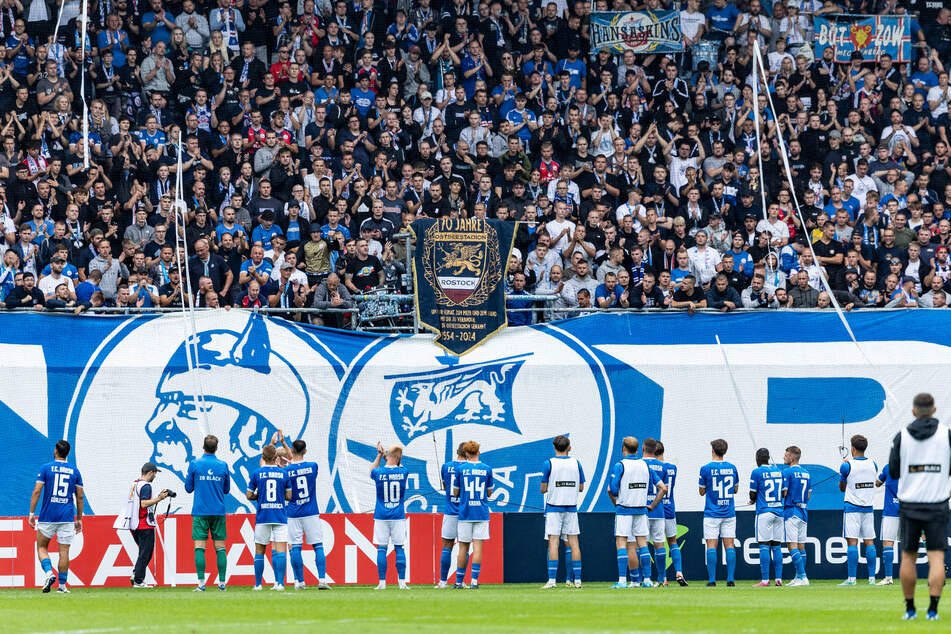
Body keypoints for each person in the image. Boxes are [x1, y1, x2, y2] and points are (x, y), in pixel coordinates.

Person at [888, 393, 951, 621]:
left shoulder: (901, 436)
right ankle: (933, 609)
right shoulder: (947, 435)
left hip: (910, 505)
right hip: (937, 504)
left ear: (914, 411)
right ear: (934, 410)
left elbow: (893, 472)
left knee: (908, 558)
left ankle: (910, 609)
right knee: (936, 558)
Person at [607, 436, 666, 588]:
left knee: (622, 542)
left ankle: (621, 581)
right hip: (641, 510)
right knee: (643, 544)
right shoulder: (645, 466)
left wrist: (616, 500)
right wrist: (652, 505)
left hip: (624, 509)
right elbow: (663, 488)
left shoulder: (620, 465)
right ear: (638, 449)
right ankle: (647, 580)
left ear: (623, 449)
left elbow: (612, 490)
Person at [29, 440, 83, 594]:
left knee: (41, 546)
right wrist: (79, 518)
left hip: (48, 516)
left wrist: (32, 513)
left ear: (55, 451)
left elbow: (37, 491)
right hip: (66, 516)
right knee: (64, 551)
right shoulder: (75, 471)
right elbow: (79, 497)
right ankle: (62, 586)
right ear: (68, 453)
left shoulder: (46, 468)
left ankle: (48, 573)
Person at [184, 435, 230, 592]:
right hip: (218, 511)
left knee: (199, 548)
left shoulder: (195, 464)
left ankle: (201, 584)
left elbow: (188, 488)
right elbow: (226, 490)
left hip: (200, 511)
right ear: (216, 448)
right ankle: (222, 583)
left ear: (203, 447)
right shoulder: (223, 465)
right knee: (220, 548)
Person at [285, 440, 330, 590]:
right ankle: (322, 580)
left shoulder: (286, 471)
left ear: (292, 450)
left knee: (295, 547)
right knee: (318, 545)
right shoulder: (313, 466)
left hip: (293, 513)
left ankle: (301, 582)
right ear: (305, 451)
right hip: (310, 511)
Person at [116, 462, 170, 589]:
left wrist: (157, 497)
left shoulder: (135, 484)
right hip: (144, 524)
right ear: (150, 472)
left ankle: (136, 574)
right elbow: (144, 504)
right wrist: (160, 498)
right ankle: (138, 580)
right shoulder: (146, 486)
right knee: (147, 553)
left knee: (143, 552)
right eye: (155, 474)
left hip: (134, 523)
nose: (155, 476)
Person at [540, 435, 584, 589]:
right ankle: (577, 580)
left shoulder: (549, 463)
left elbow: (543, 489)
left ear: (554, 447)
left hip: (554, 507)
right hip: (571, 508)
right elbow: (581, 487)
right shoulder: (576, 463)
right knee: (574, 543)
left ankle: (552, 581)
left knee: (553, 543)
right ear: (569, 447)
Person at [247, 444, 291, 591]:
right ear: (276, 458)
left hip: (263, 516)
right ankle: (280, 584)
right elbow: (289, 496)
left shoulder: (256, 473)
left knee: (259, 550)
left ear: (263, 457)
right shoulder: (284, 474)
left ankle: (258, 584)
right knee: (280, 551)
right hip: (279, 515)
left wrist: (259, 496)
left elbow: (249, 495)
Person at [452, 440, 494, 590]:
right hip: (481, 513)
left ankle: (458, 582)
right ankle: (474, 582)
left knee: (463, 548)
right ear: (478, 452)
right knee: (478, 548)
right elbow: (489, 492)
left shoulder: (461, 469)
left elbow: (455, 492)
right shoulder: (487, 469)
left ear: (466, 454)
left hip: (465, 512)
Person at [838, 434, 878, 586]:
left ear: (853, 449)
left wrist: (843, 470)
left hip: (852, 508)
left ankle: (852, 579)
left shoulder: (847, 465)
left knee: (852, 543)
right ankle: (872, 579)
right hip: (868, 508)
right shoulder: (873, 464)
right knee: (869, 542)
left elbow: (842, 488)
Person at [698, 438, 739, 586]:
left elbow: (701, 492)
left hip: (712, 513)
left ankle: (712, 580)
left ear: (713, 450)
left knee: (711, 545)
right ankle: (730, 579)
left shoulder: (705, 468)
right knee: (729, 545)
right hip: (728, 512)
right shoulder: (732, 468)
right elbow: (735, 489)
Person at [369, 442, 409, 590]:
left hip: (381, 516)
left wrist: (379, 455)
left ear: (387, 456)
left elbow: (372, 470)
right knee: (399, 548)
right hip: (398, 516)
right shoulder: (404, 472)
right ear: (399, 457)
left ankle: (382, 583)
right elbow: (397, 465)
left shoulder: (378, 473)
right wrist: (391, 457)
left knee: (381, 549)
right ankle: (402, 583)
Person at [749, 448, 784, 587]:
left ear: (757, 459)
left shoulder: (756, 472)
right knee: (776, 546)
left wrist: (753, 500)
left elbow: (752, 494)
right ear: (768, 458)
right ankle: (779, 579)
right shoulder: (778, 471)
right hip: (779, 512)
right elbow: (783, 492)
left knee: (764, 546)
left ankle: (765, 580)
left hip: (764, 512)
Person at [655, 442, 687, 586]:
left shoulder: (652, 467)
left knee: (658, 543)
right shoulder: (673, 467)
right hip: (670, 508)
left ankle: (663, 578)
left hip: (656, 508)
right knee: (673, 542)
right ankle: (679, 572)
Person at [437, 443, 468, 589]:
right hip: (465, 513)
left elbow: (444, 485)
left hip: (450, 512)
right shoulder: (470, 469)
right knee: (464, 548)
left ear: (456, 451)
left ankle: (443, 581)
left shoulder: (446, 466)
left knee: (446, 547)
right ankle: (460, 581)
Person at [781, 446, 811, 586]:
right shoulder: (806, 473)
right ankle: (799, 577)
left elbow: (784, 493)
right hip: (803, 511)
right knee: (801, 546)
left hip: (791, 511)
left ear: (792, 458)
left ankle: (803, 576)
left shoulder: (787, 472)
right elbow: (808, 496)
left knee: (792, 545)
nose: (784, 457)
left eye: (786, 455)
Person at [642, 438, 669, 587]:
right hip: (658, 509)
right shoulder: (662, 466)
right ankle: (662, 578)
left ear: (644, 449)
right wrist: (654, 504)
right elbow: (663, 489)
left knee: (642, 544)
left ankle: (644, 578)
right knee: (659, 544)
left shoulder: (640, 464)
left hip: (642, 510)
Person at [874, 461, 899, 586]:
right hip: (910, 510)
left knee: (888, 543)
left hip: (891, 511)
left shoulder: (889, 467)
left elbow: (877, 483)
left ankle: (888, 578)